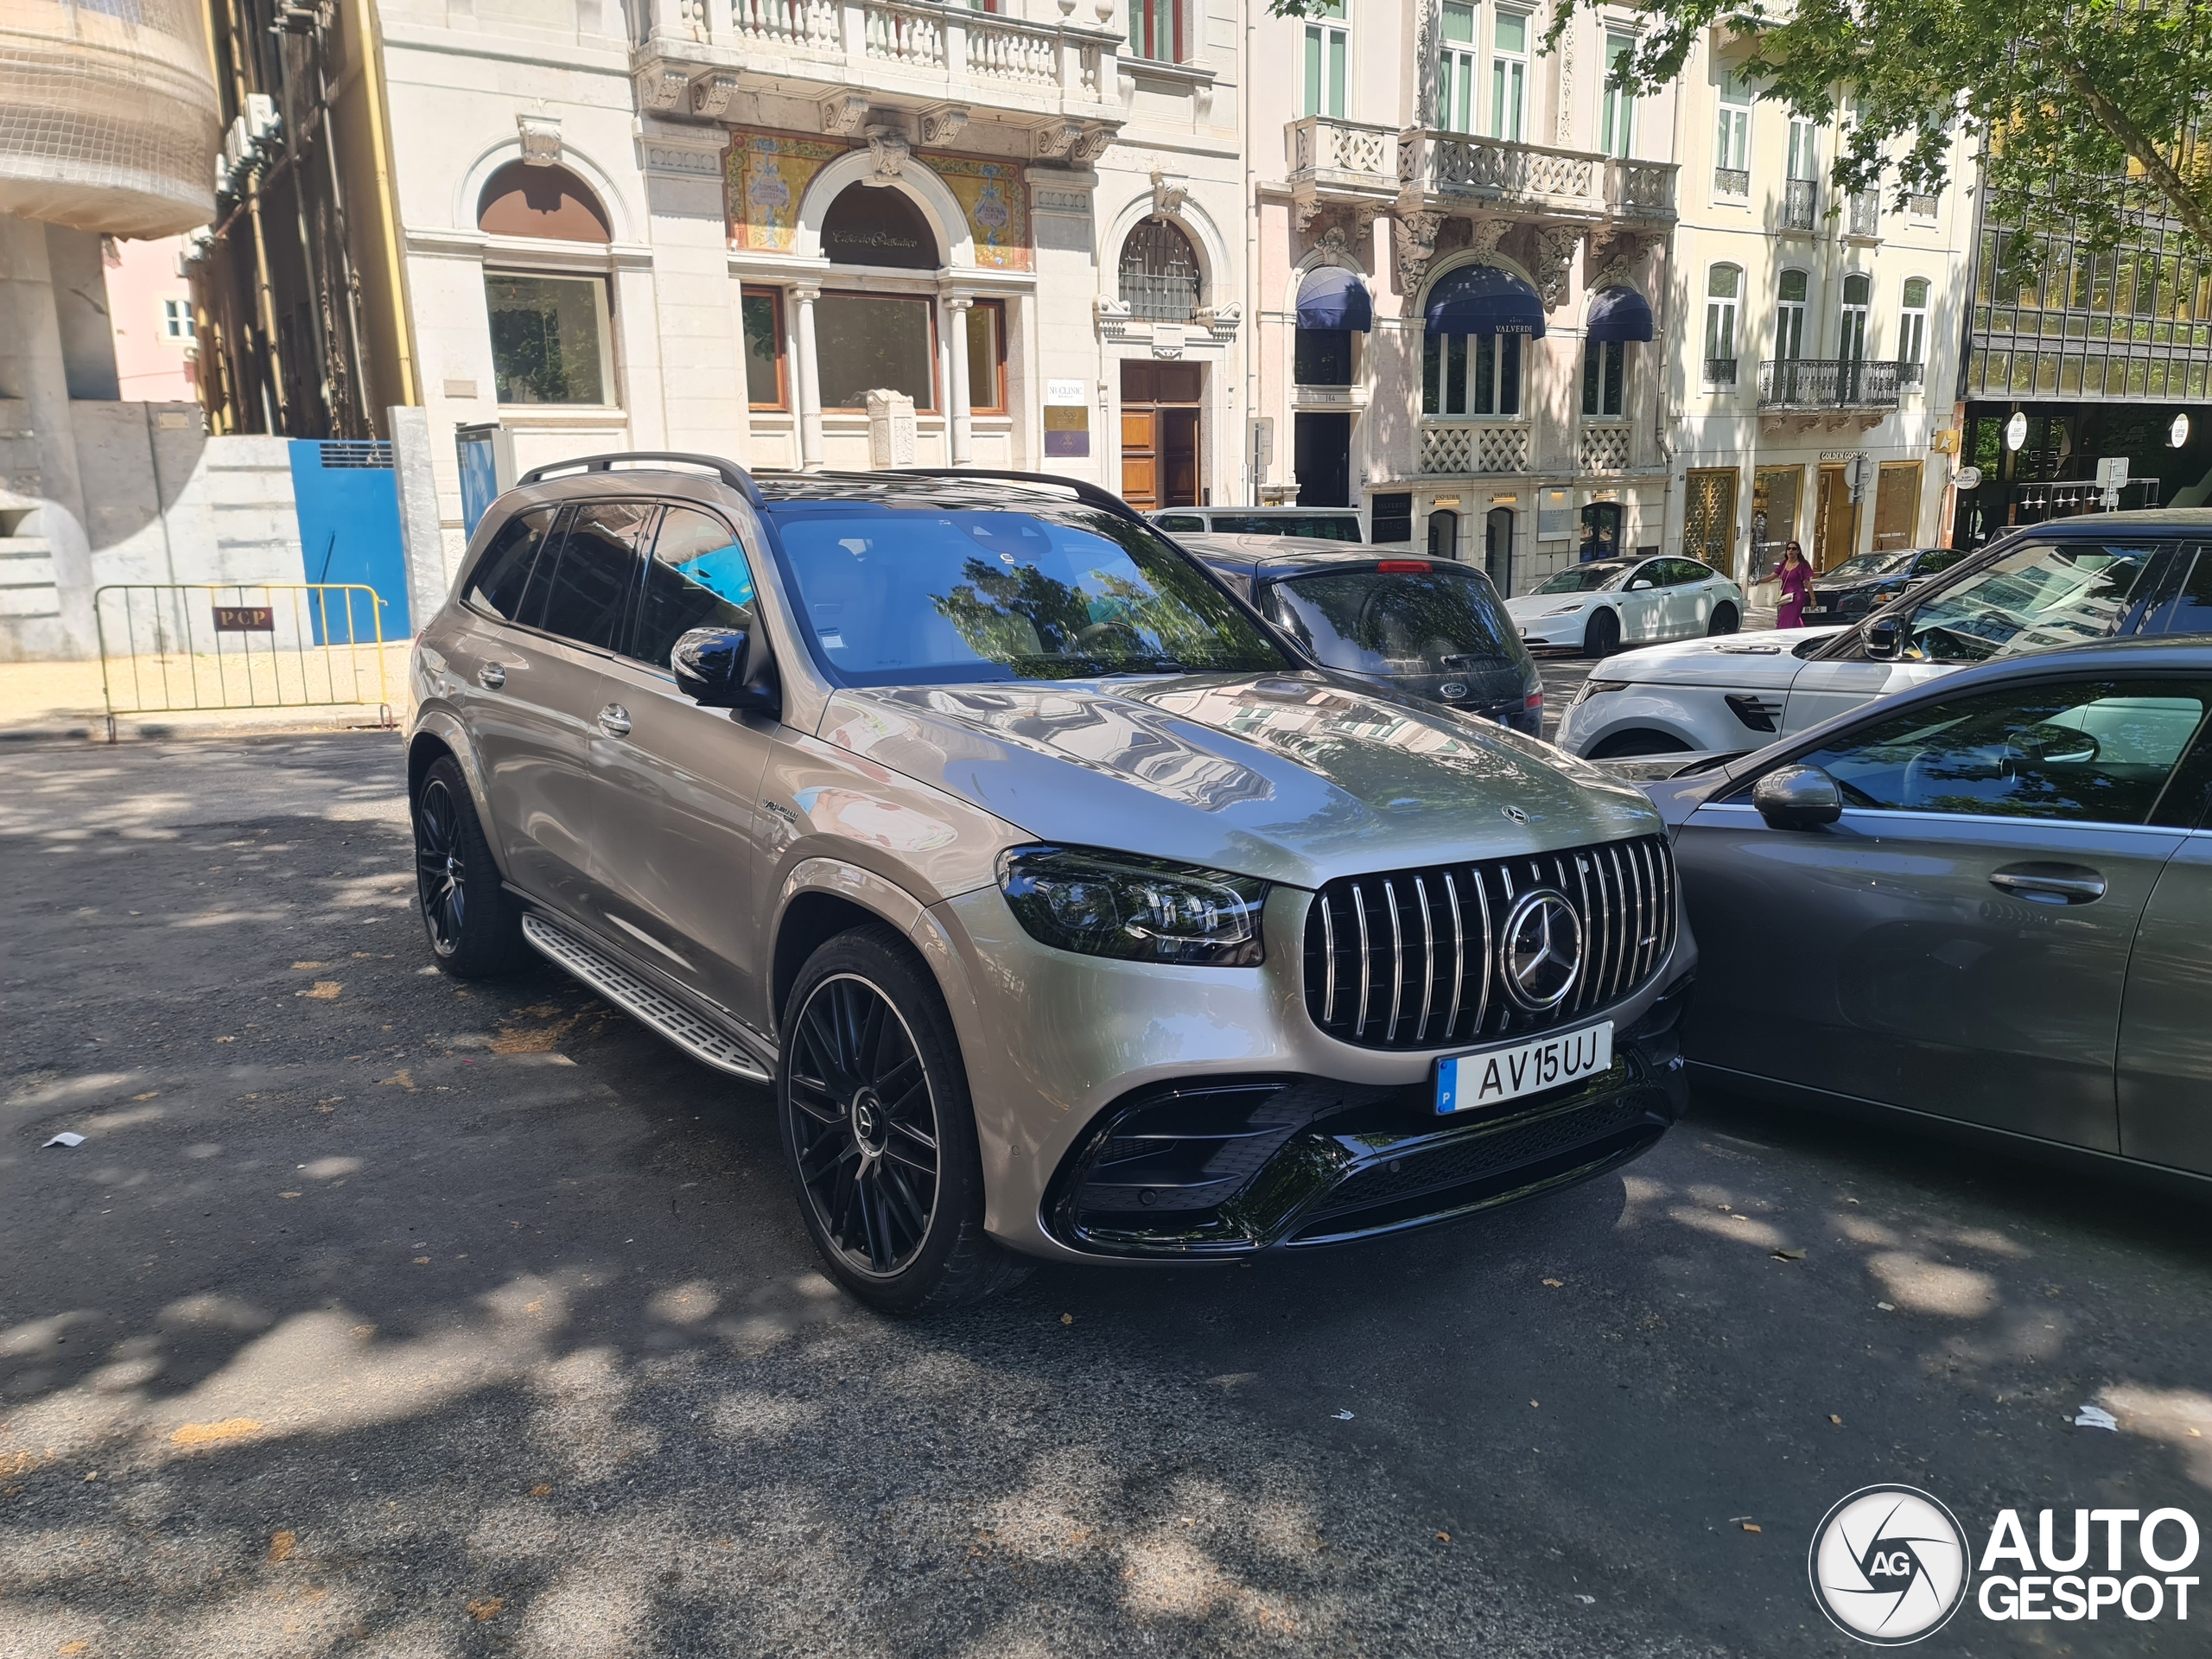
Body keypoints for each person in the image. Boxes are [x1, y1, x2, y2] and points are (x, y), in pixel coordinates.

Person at [1775, 540, 1812, 628]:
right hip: (1785, 597)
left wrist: (1813, 599)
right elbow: (1772, 576)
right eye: (1789, 549)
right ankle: (1802, 633)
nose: (1791, 551)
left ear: (1798, 551)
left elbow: (1808, 583)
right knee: (1793, 619)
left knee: (1787, 618)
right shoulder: (1783, 564)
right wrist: (1759, 581)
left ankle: (1783, 635)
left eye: (1794, 549)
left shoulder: (1802, 564)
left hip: (1797, 597)